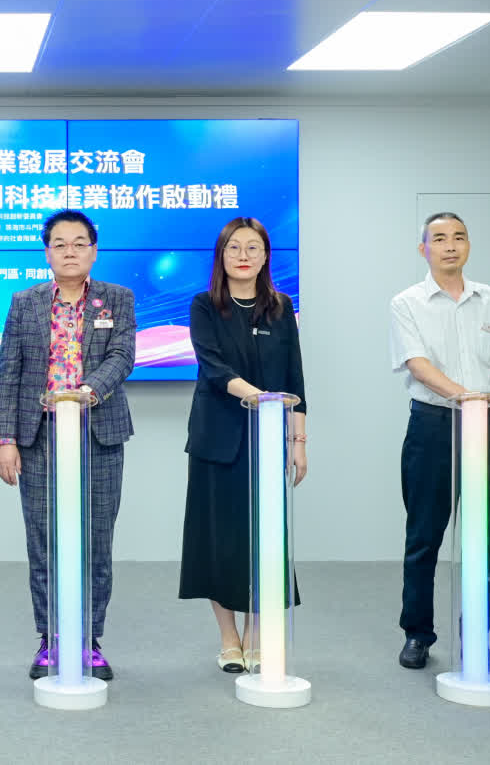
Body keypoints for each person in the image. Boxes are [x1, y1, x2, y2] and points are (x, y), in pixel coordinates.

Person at [0, 209, 135, 681]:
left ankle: (89, 641)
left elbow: (123, 356)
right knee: (44, 543)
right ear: (47, 252)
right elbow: (8, 373)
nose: (69, 251)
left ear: (93, 251)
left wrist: (85, 393)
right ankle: (50, 639)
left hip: (98, 433)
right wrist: (6, 439)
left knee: (96, 542)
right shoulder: (25, 302)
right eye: (60, 243)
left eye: (79, 243)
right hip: (39, 436)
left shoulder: (117, 298)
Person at [387, 212, 490, 671]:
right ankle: (417, 634)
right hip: (433, 425)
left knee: (483, 539)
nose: (450, 245)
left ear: (468, 245)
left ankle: (477, 639)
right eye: (439, 238)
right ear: (423, 249)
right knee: (424, 536)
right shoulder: (407, 302)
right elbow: (417, 364)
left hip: (487, 425)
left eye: (459, 237)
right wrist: (466, 397)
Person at [178, 217, 306, 674]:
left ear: (266, 256)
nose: (244, 255)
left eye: (253, 247)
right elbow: (213, 368)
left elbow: (295, 376)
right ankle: (228, 638)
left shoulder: (281, 307)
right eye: (235, 247)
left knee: (263, 539)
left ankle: (256, 634)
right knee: (218, 541)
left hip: (268, 439)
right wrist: (258, 396)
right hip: (217, 438)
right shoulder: (204, 305)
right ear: (222, 254)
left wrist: (298, 439)